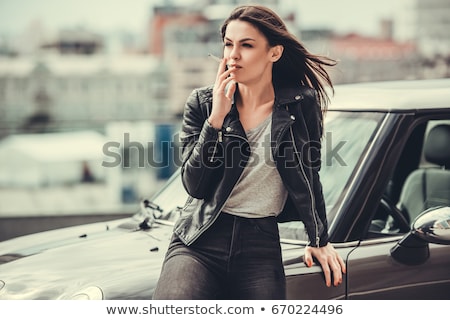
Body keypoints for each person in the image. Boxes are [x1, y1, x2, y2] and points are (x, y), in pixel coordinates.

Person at [153, 4, 346, 300]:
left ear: (274, 53)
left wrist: (319, 239)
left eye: (246, 45)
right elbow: (195, 185)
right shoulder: (203, 103)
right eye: (228, 44)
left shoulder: (301, 104)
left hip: (260, 244)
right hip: (200, 239)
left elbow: (310, 174)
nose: (233, 55)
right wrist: (216, 119)